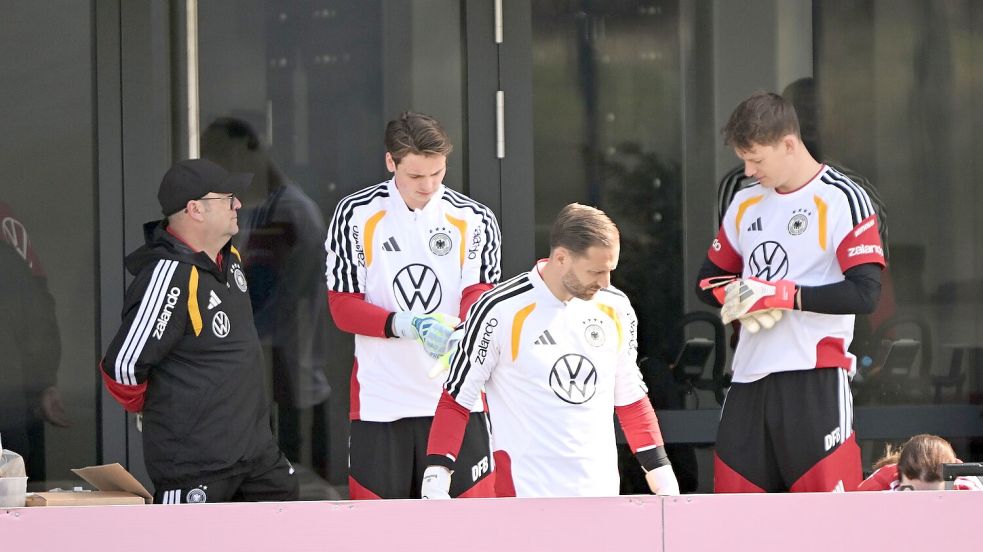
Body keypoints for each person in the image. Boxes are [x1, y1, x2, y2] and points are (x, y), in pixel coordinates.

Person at [696, 92, 885, 493]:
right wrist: (739, 296)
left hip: (814, 378)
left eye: (756, 159)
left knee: (826, 526)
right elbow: (707, 280)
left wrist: (783, 295)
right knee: (735, 525)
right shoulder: (744, 202)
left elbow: (866, 294)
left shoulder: (842, 197)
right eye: (742, 159)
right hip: (748, 378)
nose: (747, 171)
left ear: (788, 143)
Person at [422, 203, 679, 498]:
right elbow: (457, 399)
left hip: (600, 495)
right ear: (561, 258)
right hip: (525, 497)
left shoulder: (616, 306)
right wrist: (436, 477)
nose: (605, 282)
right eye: (595, 271)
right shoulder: (499, 309)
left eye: (610, 270)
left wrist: (662, 475)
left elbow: (631, 397)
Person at [100, 158, 299, 504]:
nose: (238, 204)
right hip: (197, 467)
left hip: (256, 455)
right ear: (195, 209)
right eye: (227, 198)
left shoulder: (229, 257)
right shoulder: (171, 275)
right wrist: (171, 409)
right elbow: (123, 367)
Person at [325, 112, 501, 499]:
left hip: (458, 397)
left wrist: (464, 328)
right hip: (381, 399)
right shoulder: (355, 214)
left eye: (437, 173)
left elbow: (480, 293)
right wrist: (406, 324)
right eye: (416, 176)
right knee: (379, 533)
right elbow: (342, 306)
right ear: (391, 163)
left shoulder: (474, 218)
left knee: (473, 532)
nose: (429, 185)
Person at [202, 117, 332, 478]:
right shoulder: (259, 209)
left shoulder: (287, 213)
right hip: (274, 375)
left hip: (286, 379)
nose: (217, 165)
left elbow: (267, 301)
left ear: (249, 147)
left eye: (219, 153)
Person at [0, 202, 69, 485]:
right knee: (16, 505)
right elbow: (37, 327)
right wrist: (43, 383)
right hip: (9, 410)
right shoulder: (8, 259)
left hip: (10, 406)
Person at [858, 434, 983, 491]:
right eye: (913, 493)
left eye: (936, 495)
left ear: (953, 480)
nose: (926, 504)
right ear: (899, 476)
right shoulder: (883, 484)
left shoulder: (968, 489)